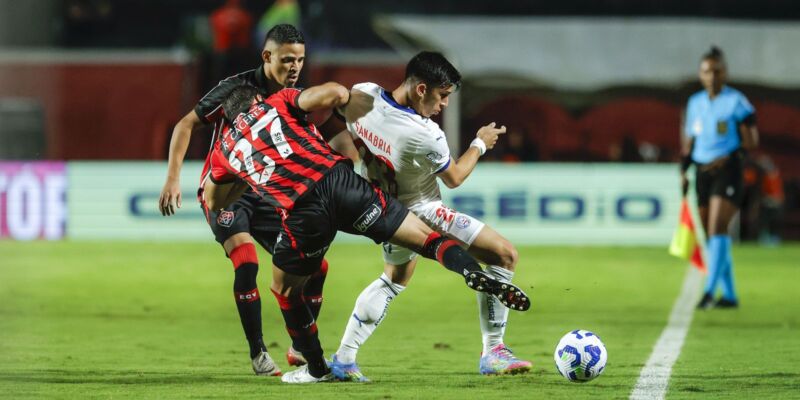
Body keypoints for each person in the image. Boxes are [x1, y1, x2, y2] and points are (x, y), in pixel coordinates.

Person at [203, 83, 531, 384]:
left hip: (304, 211)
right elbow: (332, 93)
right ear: (257, 101)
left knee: (285, 289)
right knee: (425, 238)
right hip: (342, 183)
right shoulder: (278, 100)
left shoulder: (225, 148)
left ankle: (317, 368)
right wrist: (347, 102)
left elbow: (215, 200)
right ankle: (469, 269)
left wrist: (250, 173)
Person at [327, 51, 532, 381]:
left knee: (392, 281)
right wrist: (480, 143)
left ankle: (344, 358)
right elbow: (454, 177)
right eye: (443, 96)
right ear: (421, 89)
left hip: (386, 212)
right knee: (504, 255)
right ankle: (493, 351)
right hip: (423, 210)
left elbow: (337, 122)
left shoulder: (362, 94)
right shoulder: (425, 133)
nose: (445, 105)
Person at [158, 24, 331, 376]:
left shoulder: (296, 98)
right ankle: (258, 353)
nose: (295, 67)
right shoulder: (236, 89)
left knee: (317, 269)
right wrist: (173, 178)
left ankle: (299, 343)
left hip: (266, 194)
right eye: (287, 59)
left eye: (299, 59)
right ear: (267, 57)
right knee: (247, 261)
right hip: (225, 193)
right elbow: (185, 125)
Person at [681, 46, 759, 309]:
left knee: (717, 228)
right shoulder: (695, 104)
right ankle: (731, 295)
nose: (711, 76)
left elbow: (752, 141)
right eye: (706, 71)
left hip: (728, 170)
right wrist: (684, 171)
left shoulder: (737, 102)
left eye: (716, 70)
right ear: (700, 74)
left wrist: (727, 157)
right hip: (702, 172)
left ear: (725, 72)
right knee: (712, 235)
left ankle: (708, 292)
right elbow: (689, 142)